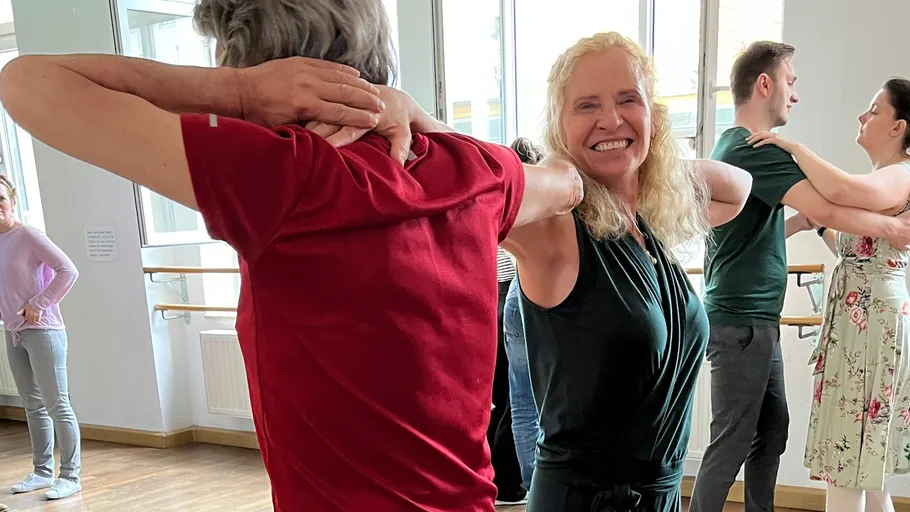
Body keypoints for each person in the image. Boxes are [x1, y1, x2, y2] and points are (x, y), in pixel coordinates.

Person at [0, 1, 583, 510]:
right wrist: (429, 124)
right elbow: (568, 182)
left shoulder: (284, 174)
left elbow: (25, 82)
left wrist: (239, 92)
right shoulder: (474, 172)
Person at [500, 31, 754, 511]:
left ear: (653, 115)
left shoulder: (646, 226)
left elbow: (739, 187)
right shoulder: (558, 230)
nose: (610, 119)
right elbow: (473, 197)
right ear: (558, 127)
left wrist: (645, 165)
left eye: (627, 100)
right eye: (586, 106)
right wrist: (558, 173)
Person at [691, 42, 910, 512]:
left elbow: (774, 222)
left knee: (771, 432)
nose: (796, 95)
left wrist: (804, 224)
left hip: (757, 319)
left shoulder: (742, 148)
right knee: (734, 441)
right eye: (791, 82)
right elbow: (828, 204)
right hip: (742, 320)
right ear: (765, 84)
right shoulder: (754, 148)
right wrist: (892, 226)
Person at [746, 77, 910, 512]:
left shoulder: (900, 175)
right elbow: (856, 251)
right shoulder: (888, 179)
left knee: (848, 461)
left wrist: (794, 149)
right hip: (866, 319)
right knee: (865, 471)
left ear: (899, 127)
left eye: (875, 110)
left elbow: (840, 191)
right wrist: (811, 223)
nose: (863, 116)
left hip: (871, 325)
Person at [0, 175, 81, 501]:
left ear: (12, 201)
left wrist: (39, 303)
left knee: (57, 405)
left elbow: (68, 271)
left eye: (0, 199)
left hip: (44, 331)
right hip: (13, 333)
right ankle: (42, 472)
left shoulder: (29, 235)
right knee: (32, 406)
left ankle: (70, 476)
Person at [502, 137, 544, 490]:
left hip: (515, 294)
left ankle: (535, 491)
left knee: (522, 404)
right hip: (544, 294)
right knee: (554, 404)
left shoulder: (506, 195)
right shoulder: (550, 194)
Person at [488, 245, 526, 505]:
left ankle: (497, 479)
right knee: (516, 401)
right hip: (511, 287)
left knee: (501, 396)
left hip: (494, 292)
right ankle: (507, 484)